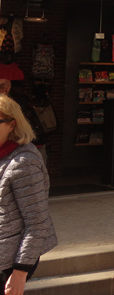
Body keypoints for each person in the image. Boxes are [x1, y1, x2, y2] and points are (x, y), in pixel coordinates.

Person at [0, 94, 57, 295]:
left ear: (11, 125)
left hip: (9, 262)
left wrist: (20, 271)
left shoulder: (23, 163)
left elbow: (37, 223)